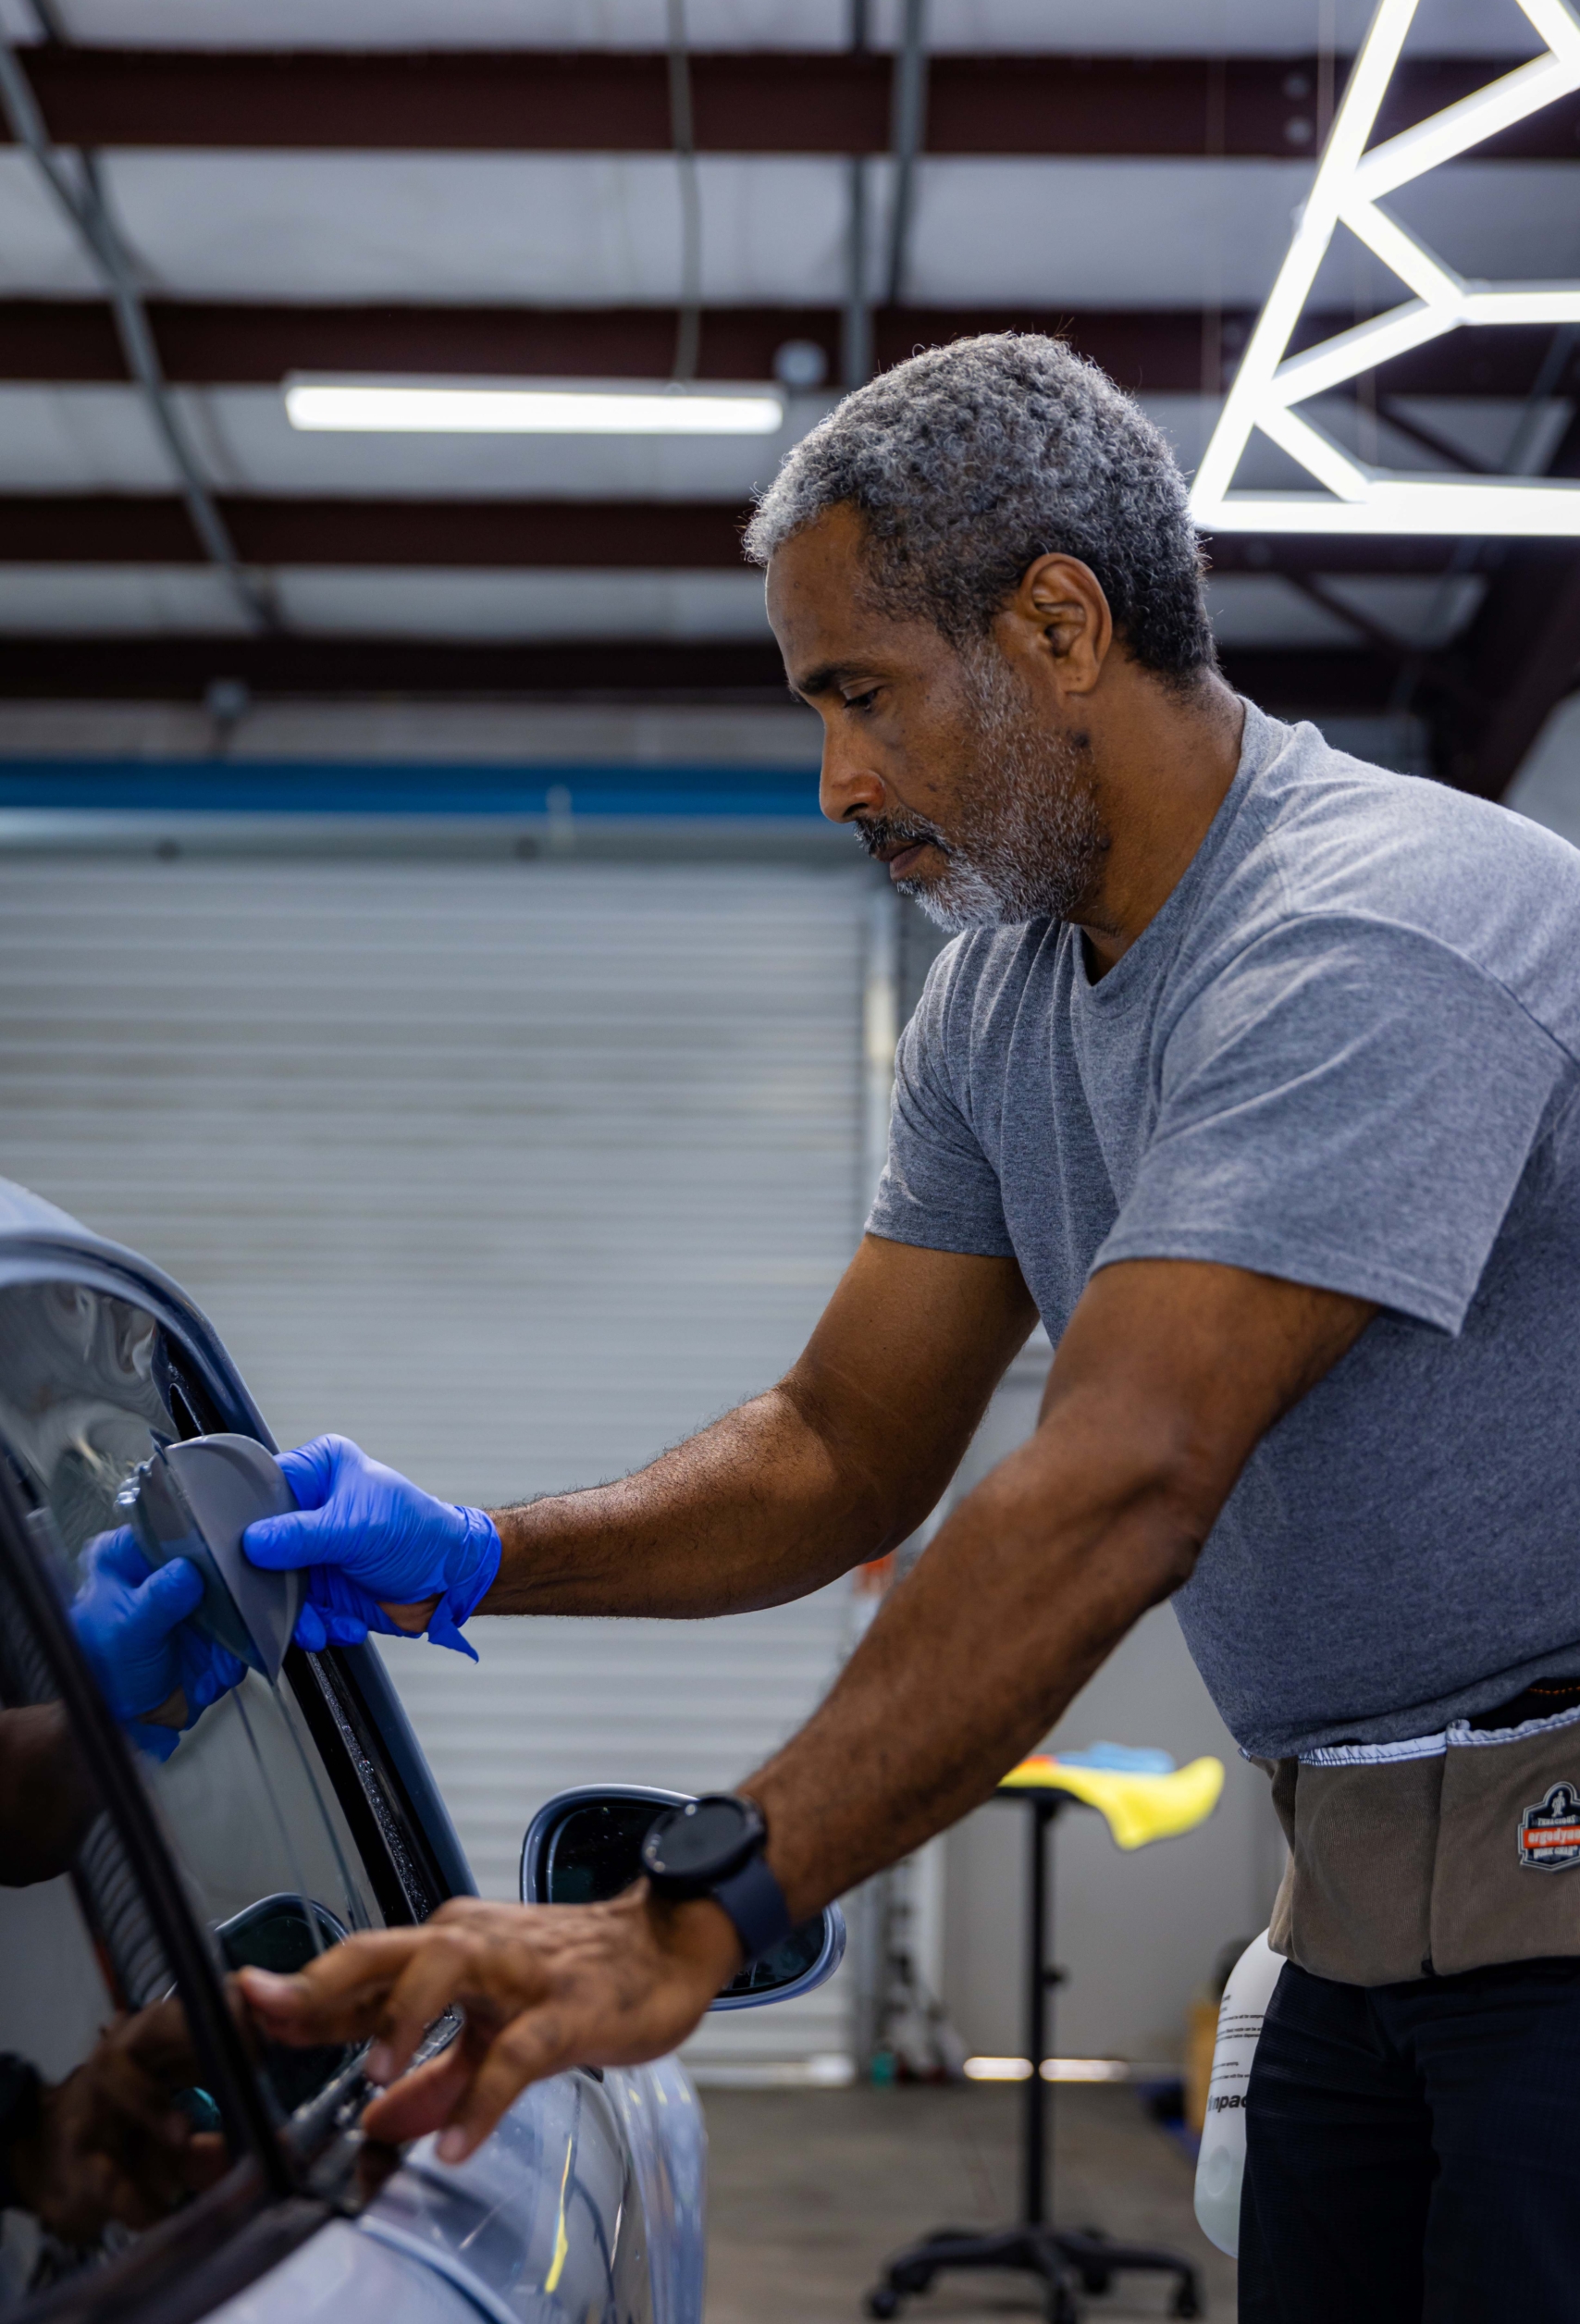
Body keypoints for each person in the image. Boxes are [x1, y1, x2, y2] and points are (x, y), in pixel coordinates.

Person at [236, 333, 1580, 2323]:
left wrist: (697, 1912)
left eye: (861, 694)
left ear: (1058, 626)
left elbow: (1125, 1473)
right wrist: (480, 1553)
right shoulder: (1000, 1001)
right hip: (1359, 1912)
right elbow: (841, 1445)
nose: (837, 783)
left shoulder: (1370, 925)